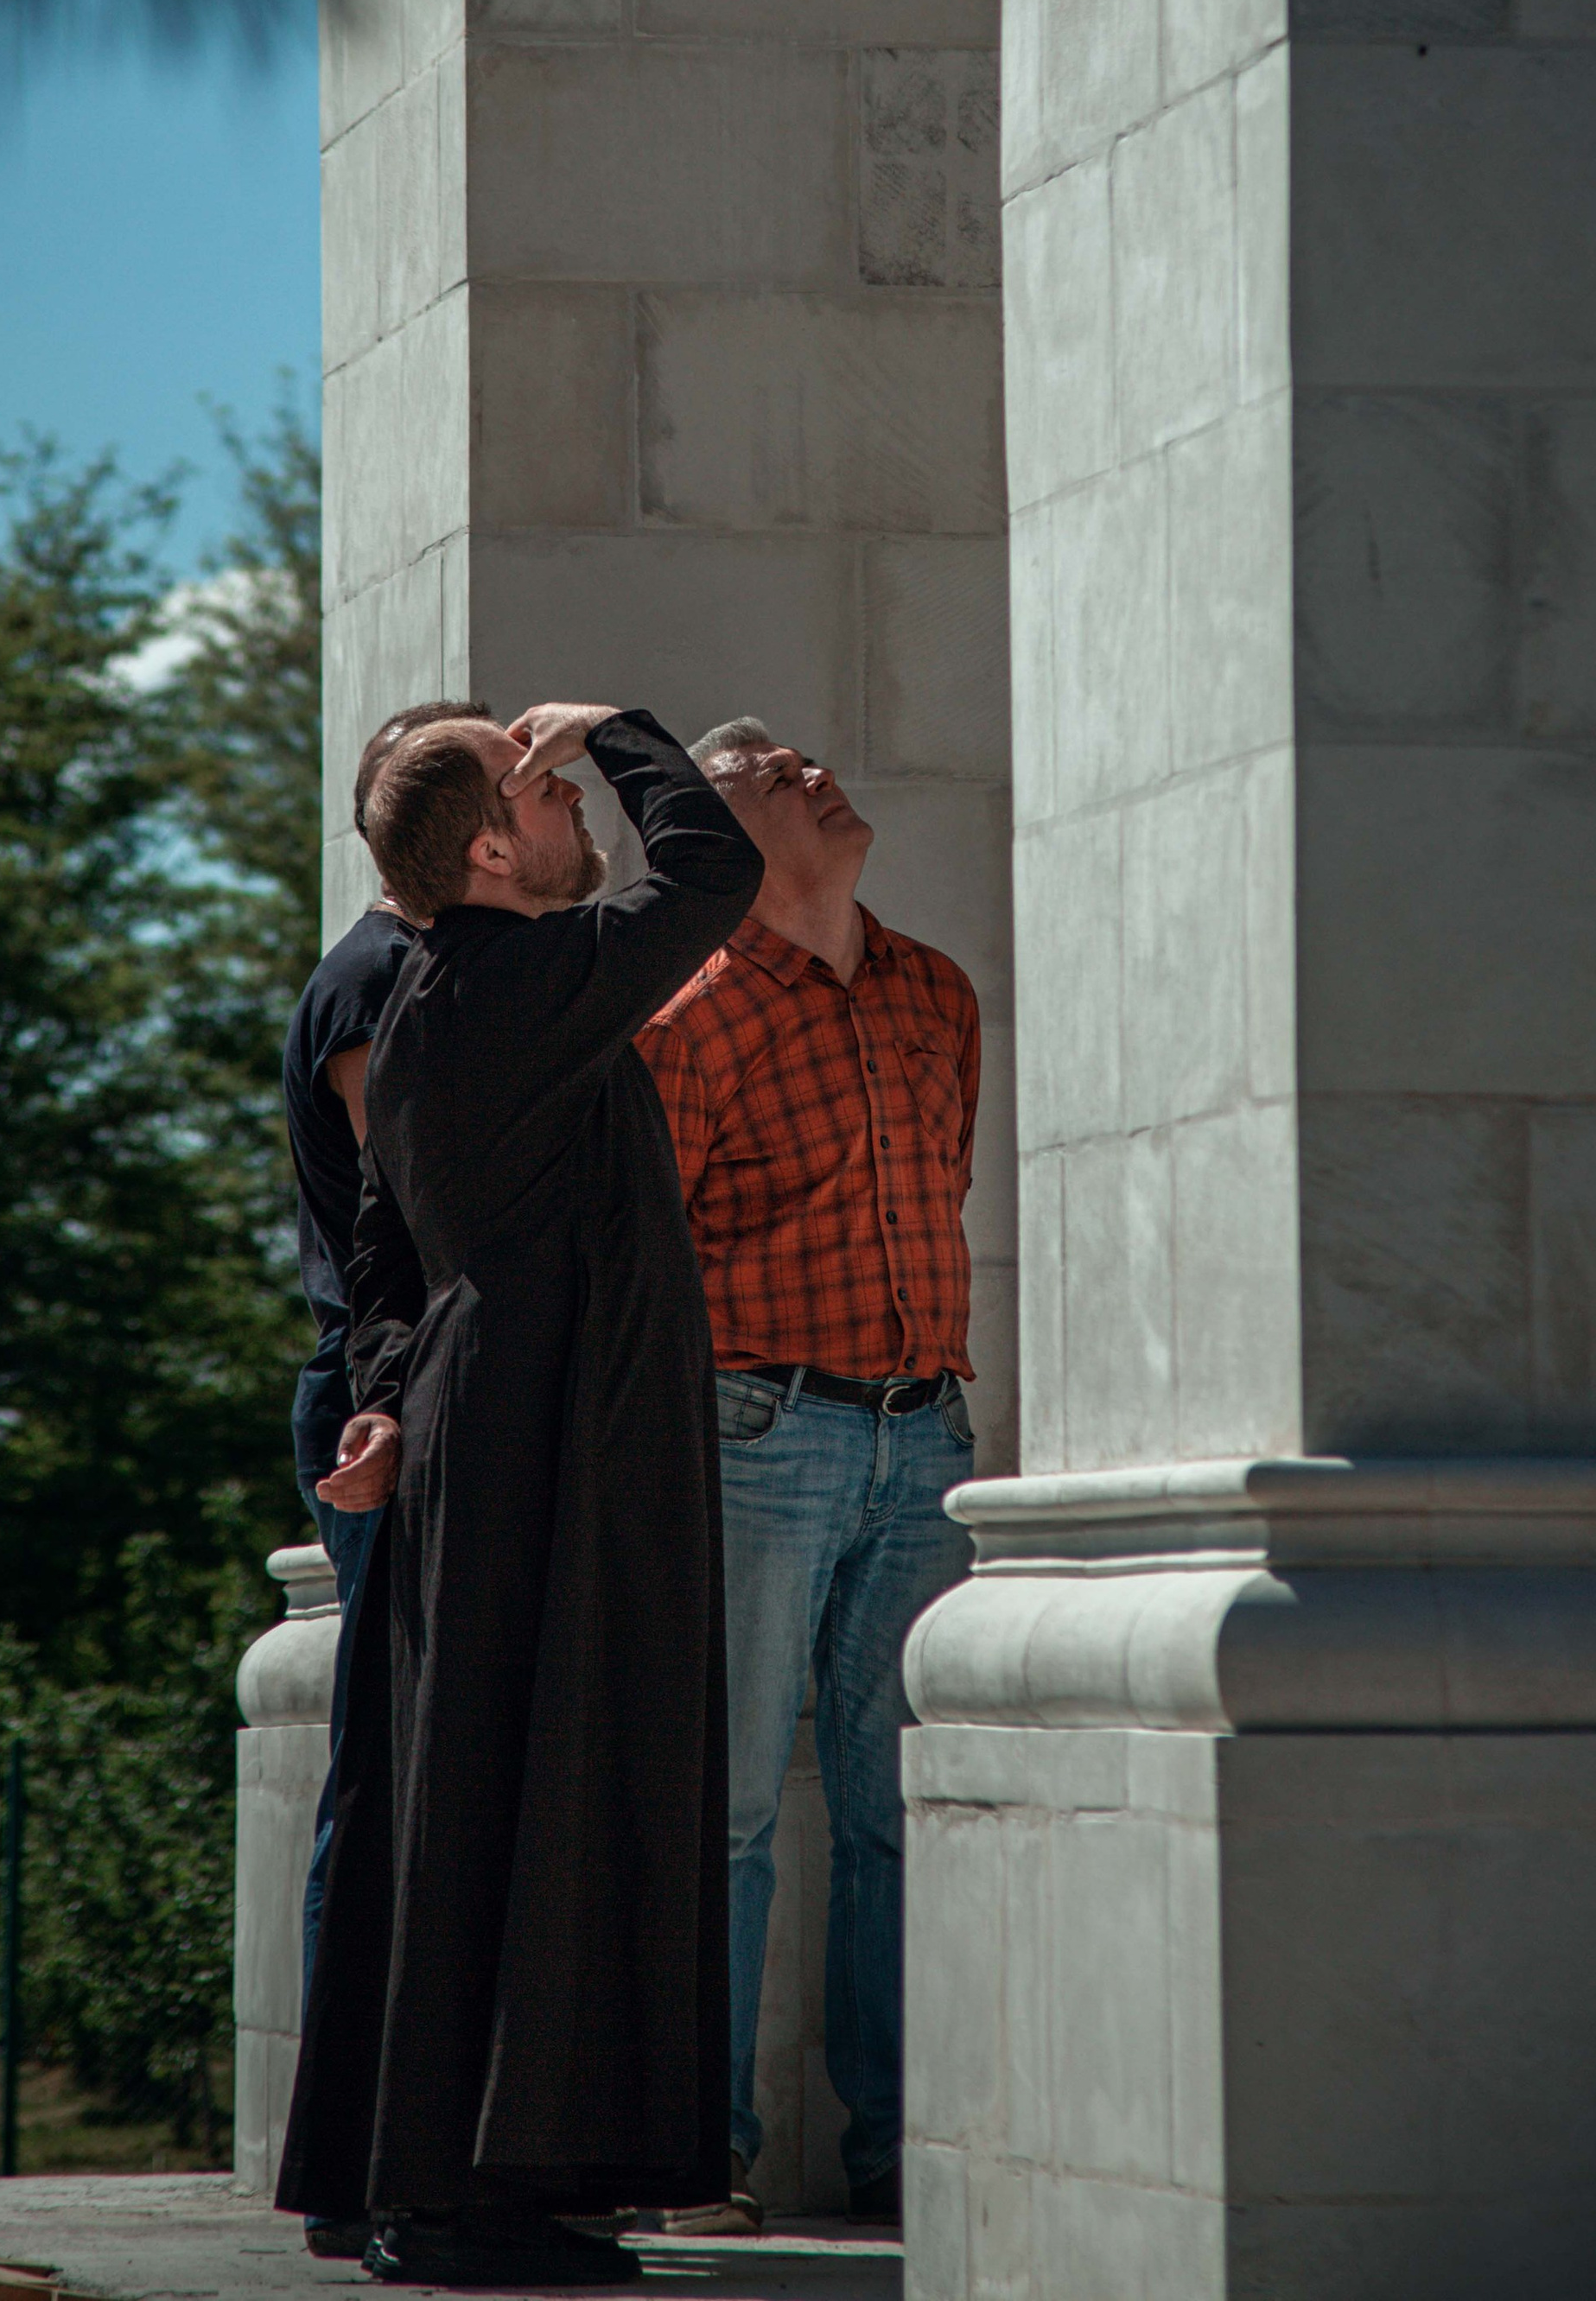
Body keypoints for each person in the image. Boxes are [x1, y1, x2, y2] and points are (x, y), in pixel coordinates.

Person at [277, 703, 763, 2292]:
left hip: (509, 1424)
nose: (569, 805)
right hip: (554, 1430)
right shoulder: (520, 978)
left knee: (501, 1791)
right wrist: (623, 730)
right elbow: (712, 871)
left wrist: (389, 1401)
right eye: (540, 791)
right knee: (537, 1783)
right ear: (490, 849)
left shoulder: (429, 997)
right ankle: (464, 2197)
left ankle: (482, 2180)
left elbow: (385, 1256)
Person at [635, 718, 978, 2236]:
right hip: (758, 1431)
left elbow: (949, 1185)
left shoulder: (936, 990)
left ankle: (911, 2153)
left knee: (903, 1802)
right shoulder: (686, 1018)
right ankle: (692, 2151)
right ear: (719, 831)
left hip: (930, 1436)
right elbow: (656, 1258)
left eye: (806, 757)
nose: (814, 772)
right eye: (769, 774)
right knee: (724, 1812)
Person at [278, 702, 492, 2124]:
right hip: (378, 1395)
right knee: (378, 1773)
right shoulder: (374, 983)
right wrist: (400, 1405)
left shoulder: (427, 968)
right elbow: (394, 1214)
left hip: (403, 1388)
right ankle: (350, 2131)